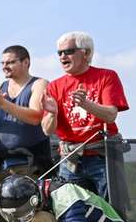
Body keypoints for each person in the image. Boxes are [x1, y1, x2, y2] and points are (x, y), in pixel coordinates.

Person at [41, 31, 129, 199]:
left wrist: (85, 104)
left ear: (86, 52)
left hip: (102, 157)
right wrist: (52, 114)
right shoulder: (54, 86)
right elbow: (46, 130)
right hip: (70, 160)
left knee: (112, 210)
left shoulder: (106, 76)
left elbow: (111, 115)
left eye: (68, 51)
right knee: (72, 211)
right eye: (59, 53)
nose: (62, 56)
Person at [0, 45, 52, 206]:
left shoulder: (39, 84)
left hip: (30, 163)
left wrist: (3, 103)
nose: (5, 67)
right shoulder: (0, 88)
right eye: (2, 63)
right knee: (2, 214)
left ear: (26, 62)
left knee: (29, 211)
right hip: (1, 163)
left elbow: (35, 116)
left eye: (11, 62)